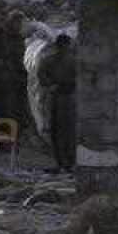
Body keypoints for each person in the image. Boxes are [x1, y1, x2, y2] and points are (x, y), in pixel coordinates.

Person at [39, 34, 77, 171]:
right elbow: (42, 76)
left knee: (70, 131)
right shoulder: (49, 61)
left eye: (66, 46)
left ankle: (70, 161)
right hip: (57, 97)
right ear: (58, 46)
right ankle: (62, 161)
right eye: (63, 46)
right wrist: (51, 85)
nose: (65, 49)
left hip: (70, 97)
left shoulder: (74, 61)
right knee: (57, 130)